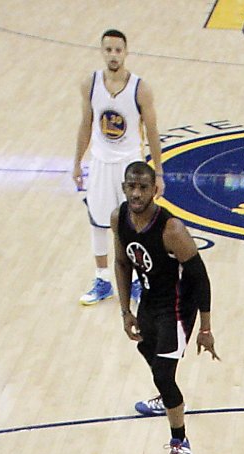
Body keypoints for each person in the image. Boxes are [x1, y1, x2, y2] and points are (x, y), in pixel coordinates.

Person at [115, 160, 215, 454]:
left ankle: (180, 441)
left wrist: (206, 327)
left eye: (143, 187)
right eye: (131, 186)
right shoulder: (119, 218)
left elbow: (200, 278)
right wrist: (125, 310)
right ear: (123, 188)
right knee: (147, 351)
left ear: (155, 191)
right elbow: (121, 262)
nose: (136, 193)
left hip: (176, 308)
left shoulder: (171, 229)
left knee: (163, 373)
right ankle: (167, 398)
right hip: (147, 302)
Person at [73, 27, 160, 306]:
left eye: (118, 50)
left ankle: (135, 281)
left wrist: (158, 170)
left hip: (129, 165)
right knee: (98, 222)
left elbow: (154, 130)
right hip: (100, 163)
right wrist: (77, 162)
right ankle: (102, 280)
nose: (113, 55)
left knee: (133, 224)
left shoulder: (140, 88)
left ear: (126, 52)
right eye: (108, 50)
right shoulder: (90, 84)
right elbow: (86, 124)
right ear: (102, 52)